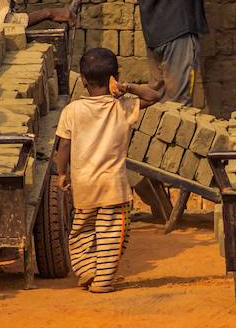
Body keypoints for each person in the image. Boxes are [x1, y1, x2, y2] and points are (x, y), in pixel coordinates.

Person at [52, 48, 161, 292]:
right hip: (113, 185)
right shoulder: (122, 106)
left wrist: (61, 173)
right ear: (115, 77)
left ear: (82, 79)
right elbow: (154, 96)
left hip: (84, 184)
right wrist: (127, 87)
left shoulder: (72, 110)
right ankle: (102, 281)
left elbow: (64, 145)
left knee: (81, 231)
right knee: (112, 233)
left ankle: (88, 270)